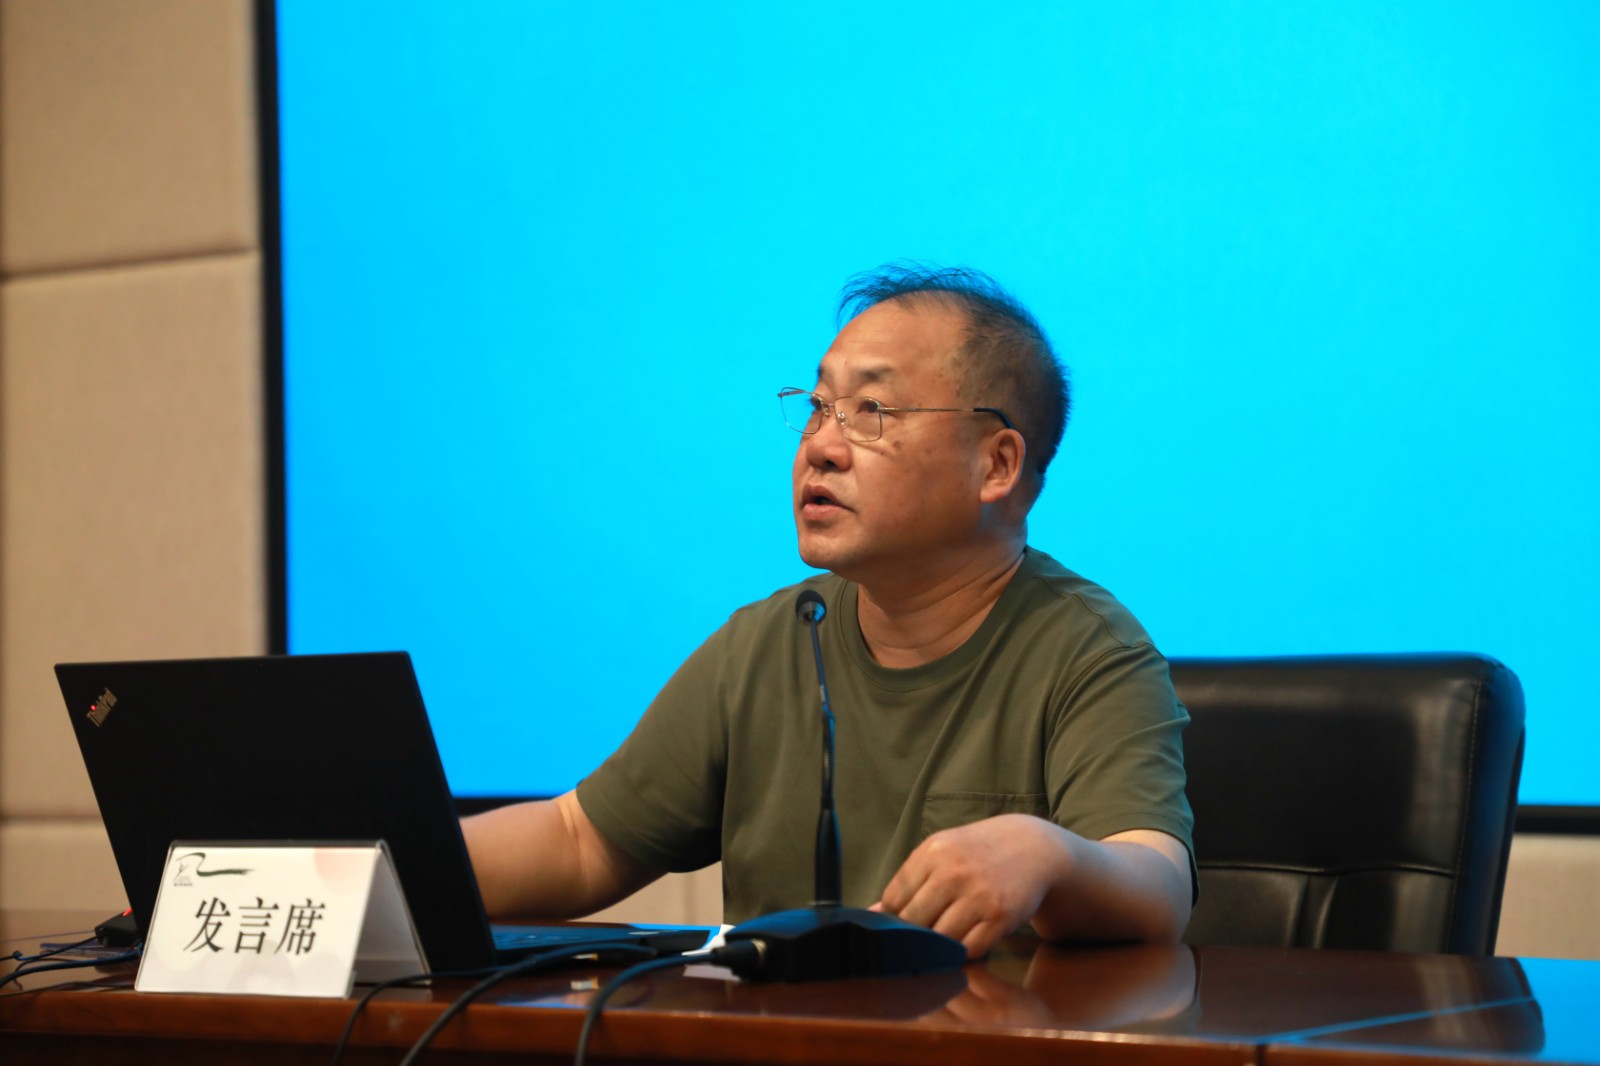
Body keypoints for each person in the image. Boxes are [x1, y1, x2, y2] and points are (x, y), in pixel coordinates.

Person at [464, 264, 1194, 958]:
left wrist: (1048, 855)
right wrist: (402, 861)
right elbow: (580, 842)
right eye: (818, 408)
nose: (820, 448)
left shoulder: (1088, 650)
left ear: (996, 464)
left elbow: (1157, 883)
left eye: (871, 411)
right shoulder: (768, 642)